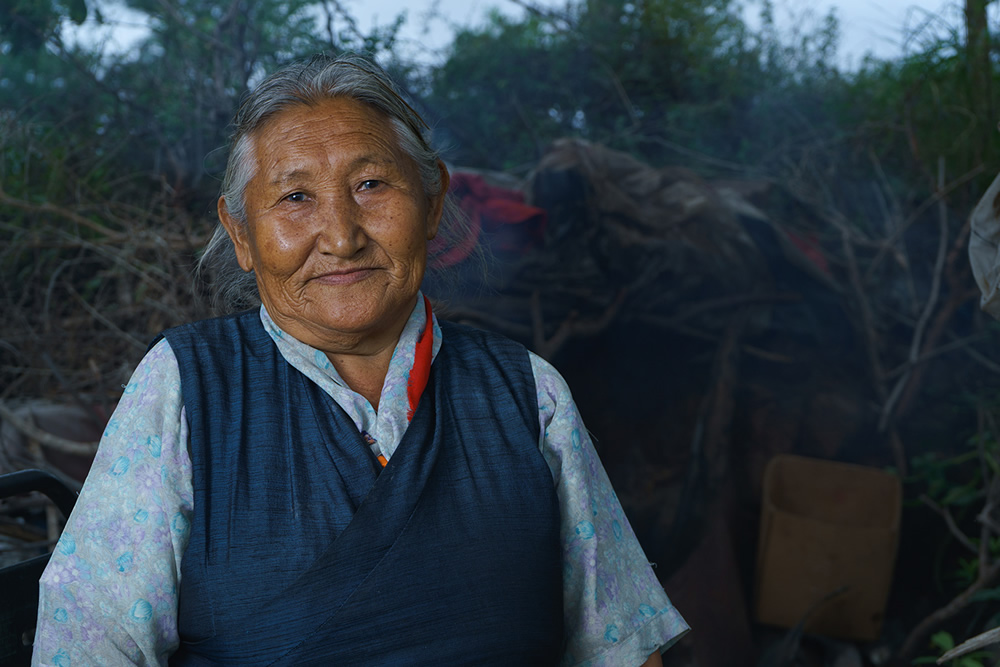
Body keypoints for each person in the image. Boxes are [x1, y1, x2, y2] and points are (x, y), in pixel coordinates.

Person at [31, 53, 688, 666]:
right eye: (295, 197)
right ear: (241, 234)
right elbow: (91, 639)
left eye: (372, 183)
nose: (341, 236)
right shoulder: (183, 390)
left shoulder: (528, 394)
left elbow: (622, 646)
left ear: (433, 204)